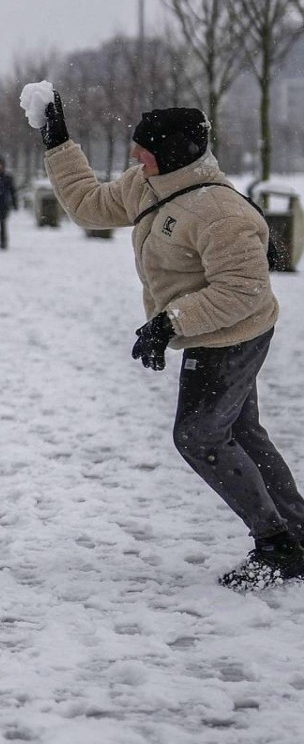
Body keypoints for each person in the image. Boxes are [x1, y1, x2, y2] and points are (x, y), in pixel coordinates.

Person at [37, 91, 304, 591]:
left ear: (174, 152)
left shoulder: (221, 212)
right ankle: (296, 532)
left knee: (199, 435)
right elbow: (90, 207)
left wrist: (169, 321)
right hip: (204, 328)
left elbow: (243, 290)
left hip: (234, 335)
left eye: (144, 150)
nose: (135, 158)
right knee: (241, 434)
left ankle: (278, 545)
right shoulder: (147, 184)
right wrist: (58, 142)